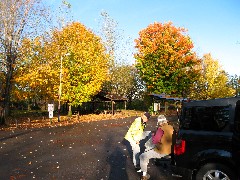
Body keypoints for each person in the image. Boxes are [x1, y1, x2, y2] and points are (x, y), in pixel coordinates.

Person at [138, 115, 174, 180]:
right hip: (170, 149)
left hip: (161, 151)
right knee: (149, 148)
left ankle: (144, 175)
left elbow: (154, 141)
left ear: (159, 122)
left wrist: (154, 135)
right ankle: (146, 162)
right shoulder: (171, 127)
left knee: (143, 156)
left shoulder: (160, 129)